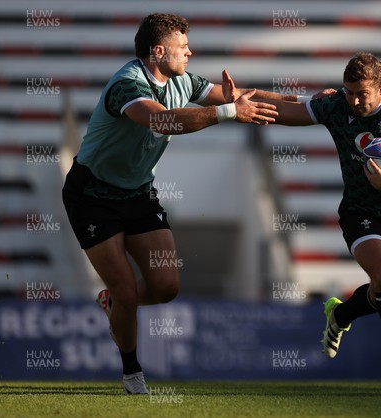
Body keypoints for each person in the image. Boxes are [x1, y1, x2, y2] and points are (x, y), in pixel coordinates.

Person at [61, 13, 303, 394]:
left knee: (166, 287)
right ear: (158, 51)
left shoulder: (183, 81)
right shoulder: (127, 85)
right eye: (182, 46)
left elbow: (243, 97)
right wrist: (227, 112)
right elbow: (163, 122)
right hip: (92, 195)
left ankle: (113, 303)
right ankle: (131, 373)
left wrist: (312, 105)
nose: (190, 52)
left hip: (138, 192)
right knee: (126, 289)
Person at [268, 52, 381, 392]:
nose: (354, 100)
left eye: (361, 93)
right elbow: (285, 108)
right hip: (359, 213)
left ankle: (340, 316)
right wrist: (233, 101)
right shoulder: (337, 106)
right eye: (349, 92)